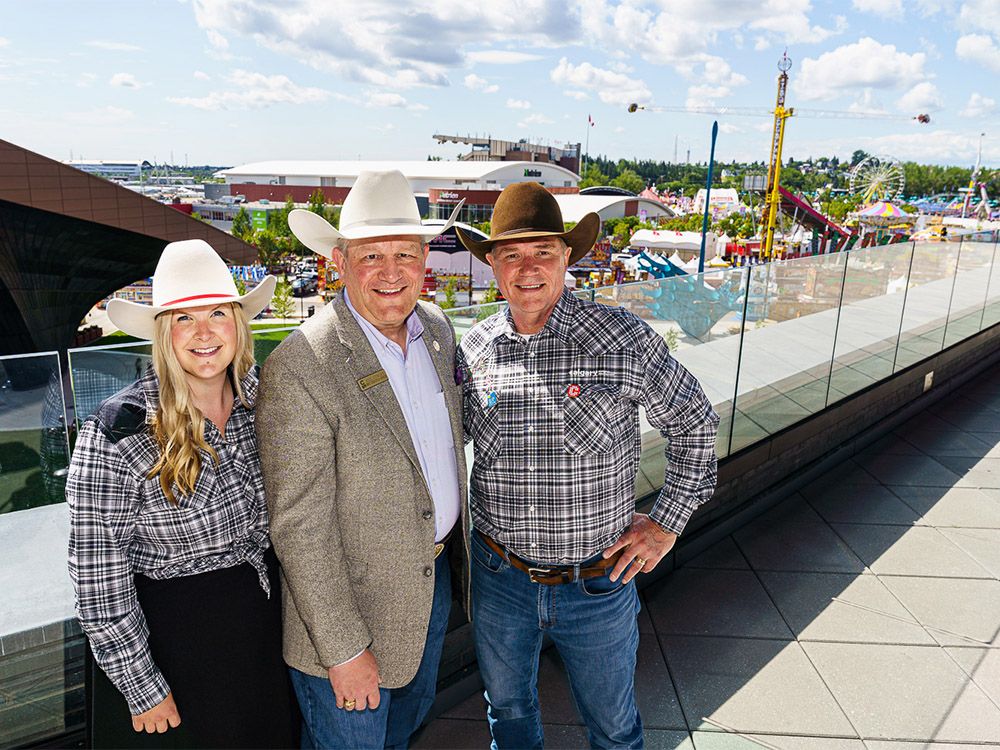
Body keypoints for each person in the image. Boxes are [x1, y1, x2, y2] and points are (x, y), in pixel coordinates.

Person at [455, 182, 720, 750]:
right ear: (493, 265)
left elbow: (694, 422)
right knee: (508, 715)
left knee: (614, 728)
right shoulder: (473, 349)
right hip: (500, 580)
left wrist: (665, 523)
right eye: (511, 255)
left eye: (542, 252)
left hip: (596, 585)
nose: (527, 269)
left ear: (567, 257)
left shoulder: (622, 339)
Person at [257, 169, 470, 750]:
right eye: (371, 255)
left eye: (405, 252)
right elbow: (298, 525)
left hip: (430, 590)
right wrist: (344, 650)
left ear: (425, 259)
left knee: (402, 735)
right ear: (339, 262)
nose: (391, 271)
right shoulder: (303, 363)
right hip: (347, 619)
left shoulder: (438, 329)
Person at [66, 239, 298, 748]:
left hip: (264, 640)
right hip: (177, 652)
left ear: (239, 323)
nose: (204, 333)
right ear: (162, 335)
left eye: (217, 313)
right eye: (183, 319)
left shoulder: (267, 404)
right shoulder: (120, 433)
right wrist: (141, 686)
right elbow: (97, 578)